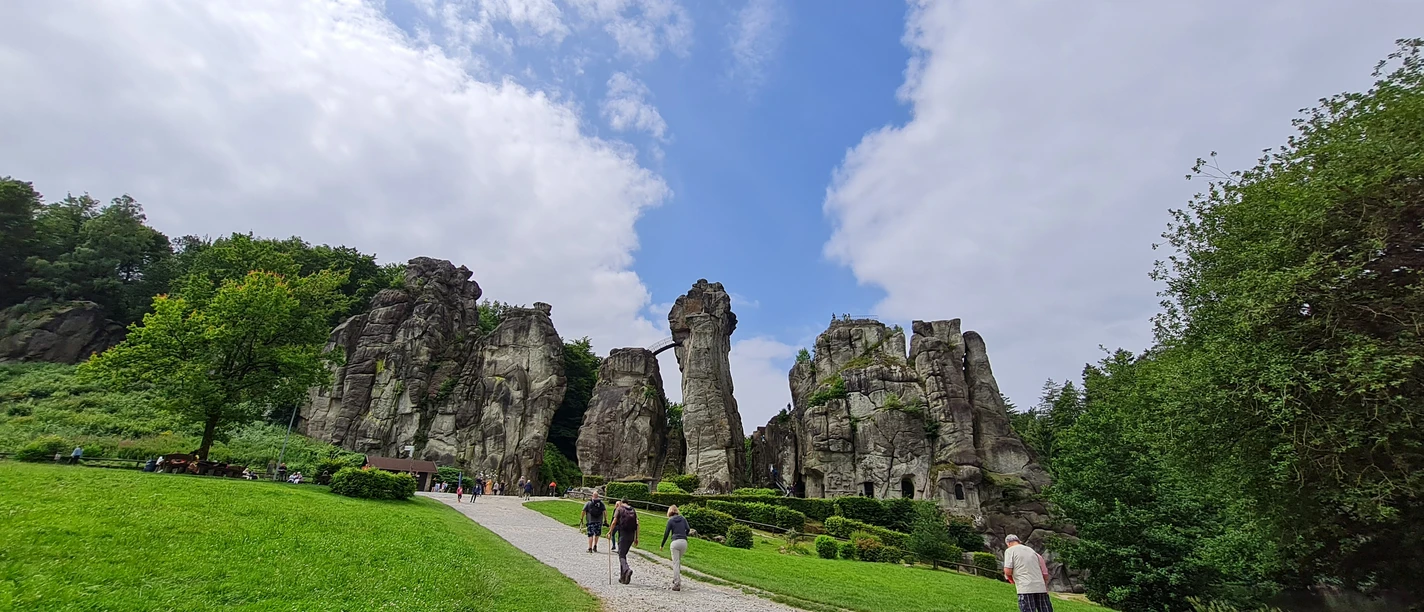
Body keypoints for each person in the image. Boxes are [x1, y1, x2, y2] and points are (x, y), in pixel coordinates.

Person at [1002, 534, 1053, 612]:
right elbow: (1043, 571)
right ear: (1019, 541)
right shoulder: (1031, 550)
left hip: (1025, 587)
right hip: (1040, 586)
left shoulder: (1010, 550)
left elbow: (1008, 571)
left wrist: (1010, 578)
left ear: (1008, 543)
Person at [609, 499, 639, 584]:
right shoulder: (633, 510)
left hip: (623, 535)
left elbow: (614, 522)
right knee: (623, 555)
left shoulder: (619, 509)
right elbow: (637, 524)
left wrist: (610, 532)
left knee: (621, 555)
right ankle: (623, 578)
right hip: (631, 536)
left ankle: (627, 570)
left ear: (621, 502)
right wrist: (637, 538)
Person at [660, 505, 690, 591]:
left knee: (675, 562)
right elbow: (688, 529)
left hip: (675, 543)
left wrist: (662, 545)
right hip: (684, 542)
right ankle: (676, 578)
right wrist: (684, 535)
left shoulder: (670, 520)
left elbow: (666, 533)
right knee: (678, 561)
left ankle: (677, 583)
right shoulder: (683, 519)